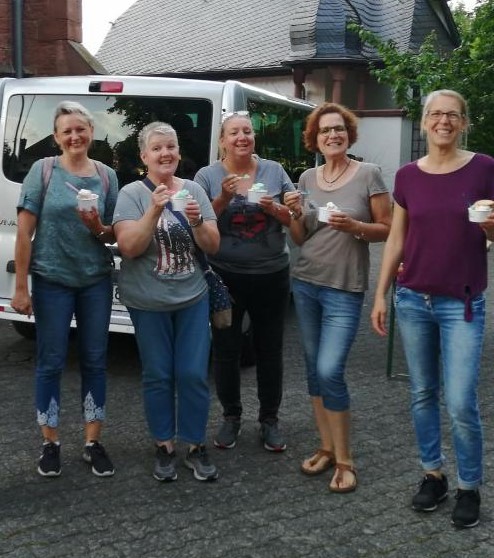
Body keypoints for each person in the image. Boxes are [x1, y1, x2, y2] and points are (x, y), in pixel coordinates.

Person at [371, 89, 494, 528]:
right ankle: (433, 475)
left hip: (462, 303)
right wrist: (381, 293)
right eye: (435, 114)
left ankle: (469, 486)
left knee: (460, 401)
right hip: (413, 299)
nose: (443, 121)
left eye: (452, 115)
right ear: (424, 122)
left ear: (463, 122)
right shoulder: (407, 176)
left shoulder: (484, 169)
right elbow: (397, 239)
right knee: (422, 393)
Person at [284, 102, 391, 492]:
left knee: (330, 370)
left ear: (349, 135)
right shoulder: (307, 178)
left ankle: (346, 460)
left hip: (345, 288)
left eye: (339, 129)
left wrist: (355, 225)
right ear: (315, 138)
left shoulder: (368, 174)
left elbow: (387, 229)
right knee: (313, 370)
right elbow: (299, 237)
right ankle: (326, 447)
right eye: (326, 130)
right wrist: (293, 214)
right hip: (307, 282)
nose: (333, 135)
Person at [12, 101, 119, 477]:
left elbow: (111, 234)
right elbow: (24, 232)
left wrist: (97, 226)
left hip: (94, 281)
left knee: (94, 360)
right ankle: (50, 442)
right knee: (51, 362)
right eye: (67, 131)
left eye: (80, 129)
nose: (75, 136)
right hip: (51, 280)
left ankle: (92, 442)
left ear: (90, 132)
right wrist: (20, 287)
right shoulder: (42, 172)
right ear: (57, 137)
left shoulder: (107, 176)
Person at [113, 121, 220, 482]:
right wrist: (154, 210)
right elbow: (128, 248)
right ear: (144, 156)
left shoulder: (193, 190)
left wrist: (198, 223)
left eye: (171, 147)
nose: (166, 154)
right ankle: (164, 445)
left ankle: (194, 444)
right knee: (158, 375)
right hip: (147, 301)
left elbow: (213, 245)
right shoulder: (131, 194)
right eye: (157, 148)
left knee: (192, 374)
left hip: (192, 297)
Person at [194, 111, 294, 452]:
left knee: (271, 349)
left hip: (271, 273)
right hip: (225, 276)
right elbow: (199, 221)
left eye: (247, 132)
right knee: (226, 349)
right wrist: (222, 197)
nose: (242, 137)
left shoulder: (275, 171)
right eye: (234, 132)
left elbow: (293, 217)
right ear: (222, 140)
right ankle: (231, 416)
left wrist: (272, 207)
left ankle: (269, 419)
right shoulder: (207, 175)